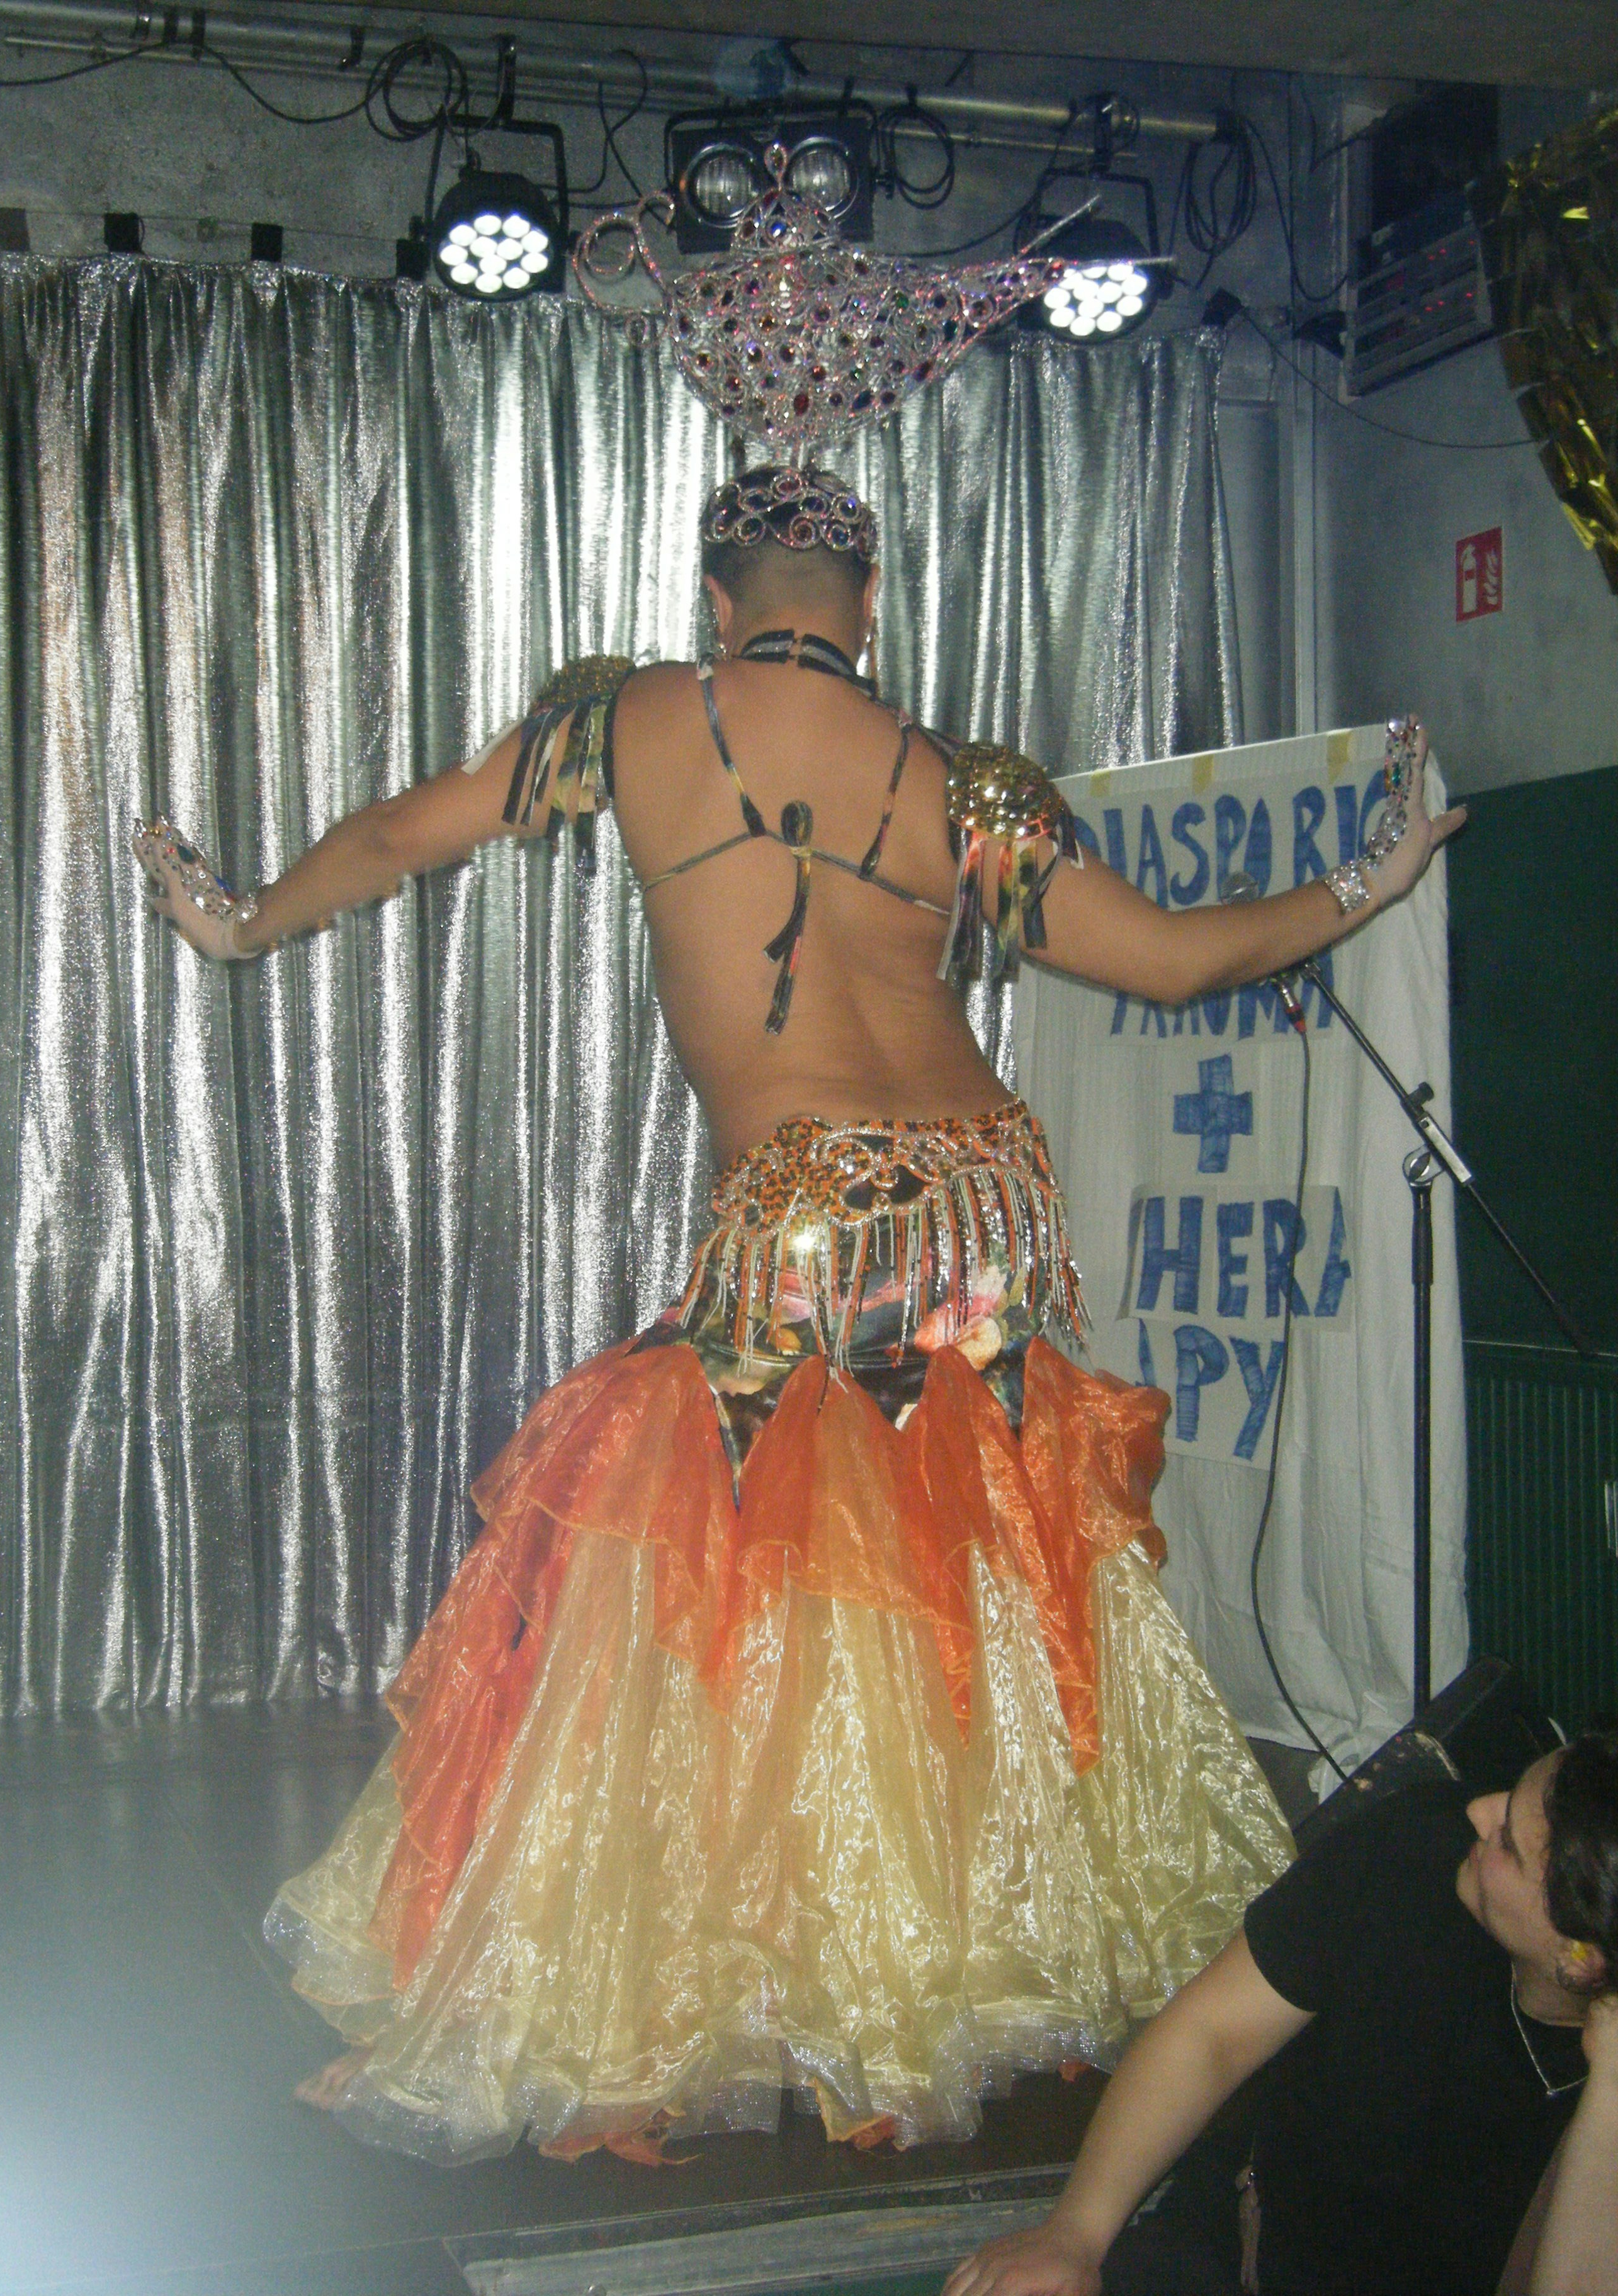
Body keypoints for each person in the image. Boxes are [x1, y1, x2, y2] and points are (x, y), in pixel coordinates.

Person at [135, 464, 1463, 2165]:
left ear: (716, 600)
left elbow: (401, 835)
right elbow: (1172, 957)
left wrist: (242, 925)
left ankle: (744, 1980)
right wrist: (1371, 878)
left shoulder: (630, 726)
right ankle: (942, 1965)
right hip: (980, 1217)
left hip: (807, 1221)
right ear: (871, 607)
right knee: (966, 1591)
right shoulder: (960, 781)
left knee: (725, 1591)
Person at [944, 1731, 1618, 2296]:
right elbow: (1214, 2035)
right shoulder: (1420, 1844)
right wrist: (1075, 2235)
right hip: (1234, 2252)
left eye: (1508, 1841)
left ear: (1581, 1959)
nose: (1478, 1811)